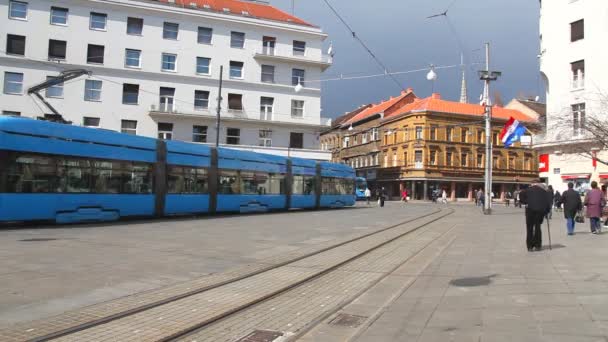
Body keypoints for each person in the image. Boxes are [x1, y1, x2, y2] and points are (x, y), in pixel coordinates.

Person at [519, 180, 552, 252]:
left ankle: (530, 246)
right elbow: (548, 202)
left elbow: (521, 196)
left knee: (529, 228)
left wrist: (525, 202)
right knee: (538, 227)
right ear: (538, 184)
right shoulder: (544, 191)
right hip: (540, 211)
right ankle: (538, 245)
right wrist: (547, 211)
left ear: (532, 184)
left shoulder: (527, 190)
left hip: (530, 210)